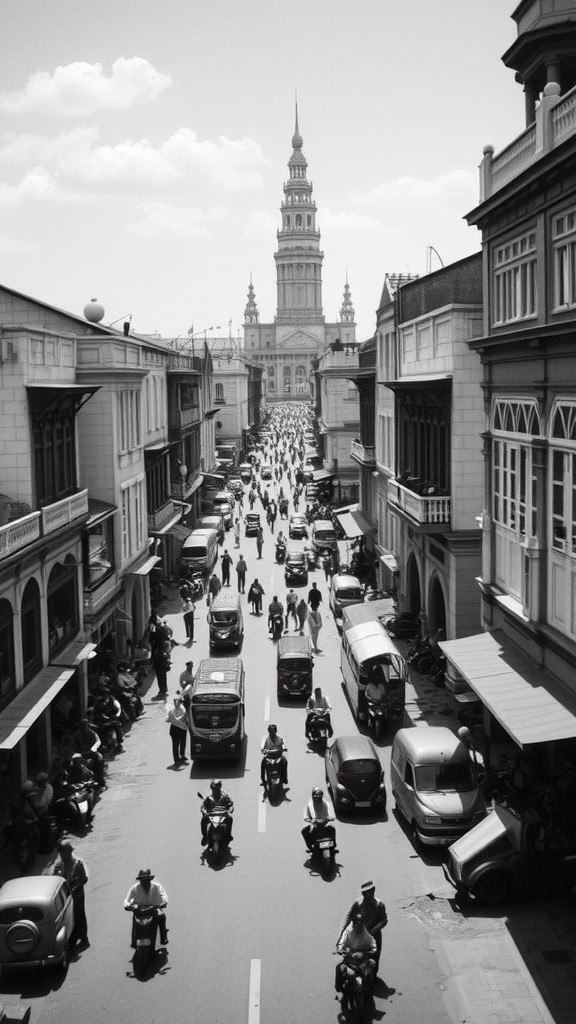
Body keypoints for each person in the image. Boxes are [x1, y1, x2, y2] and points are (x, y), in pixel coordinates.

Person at [339, 880, 388, 977]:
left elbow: (384, 920)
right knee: (351, 954)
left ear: (374, 890)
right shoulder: (358, 904)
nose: (368, 895)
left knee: (375, 957)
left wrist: (374, 930)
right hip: (358, 933)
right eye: (365, 893)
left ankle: (372, 977)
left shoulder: (380, 905)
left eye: (371, 892)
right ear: (363, 893)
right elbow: (349, 918)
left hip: (374, 935)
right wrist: (342, 933)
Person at [52, 840, 89, 948]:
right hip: (65, 895)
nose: (63, 855)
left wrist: (76, 887)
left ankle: (83, 937)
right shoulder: (59, 865)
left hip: (77, 894)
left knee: (79, 915)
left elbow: (84, 879)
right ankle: (71, 937)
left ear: (70, 852)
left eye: (65, 852)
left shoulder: (78, 863)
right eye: (61, 852)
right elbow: (54, 878)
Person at [335, 913, 377, 998]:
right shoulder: (348, 932)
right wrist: (340, 948)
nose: (359, 928)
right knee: (339, 967)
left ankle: (369, 988)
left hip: (362, 961)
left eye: (361, 925)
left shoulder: (366, 934)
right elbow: (342, 941)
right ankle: (339, 987)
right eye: (357, 925)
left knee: (372, 964)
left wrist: (372, 950)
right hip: (350, 960)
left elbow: (372, 942)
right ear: (354, 925)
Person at [124, 869, 169, 947]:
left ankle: (163, 937)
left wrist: (163, 903)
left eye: (146, 880)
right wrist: (127, 905)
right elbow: (127, 899)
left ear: (150, 880)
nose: (145, 882)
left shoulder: (157, 887)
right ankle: (134, 941)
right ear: (140, 880)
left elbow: (164, 897)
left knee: (162, 916)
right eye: (143, 880)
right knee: (135, 919)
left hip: (154, 908)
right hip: (140, 909)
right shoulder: (134, 888)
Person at [73, 718, 106, 787]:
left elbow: (97, 743)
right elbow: (73, 747)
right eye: (82, 726)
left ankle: (100, 780)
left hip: (91, 753)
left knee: (99, 759)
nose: (83, 728)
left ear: (88, 726)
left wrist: (93, 750)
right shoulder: (76, 735)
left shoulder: (93, 734)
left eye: (85, 726)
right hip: (80, 755)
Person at [301, 786, 336, 851]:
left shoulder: (327, 803)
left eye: (319, 798)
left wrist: (328, 819)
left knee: (332, 829)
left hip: (325, 823)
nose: (318, 799)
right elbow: (305, 816)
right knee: (304, 830)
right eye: (316, 798)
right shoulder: (309, 804)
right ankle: (310, 847)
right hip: (314, 824)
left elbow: (332, 814)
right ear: (313, 797)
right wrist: (311, 821)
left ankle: (333, 845)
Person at [201, 779, 234, 846]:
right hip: (212, 815)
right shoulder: (209, 798)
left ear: (219, 787)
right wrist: (204, 811)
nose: (214, 790)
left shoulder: (225, 796)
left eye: (216, 788)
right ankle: (205, 836)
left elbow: (230, 805)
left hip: (223, 815)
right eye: (213, 788)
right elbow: (203, 807)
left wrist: (230, 810)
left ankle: (228, 835)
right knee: (203, 820)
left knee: (230, 819)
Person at [260, 723, 288, 789]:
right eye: (269, 731)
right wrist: (262, 749)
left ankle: (284, 778)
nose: (271, 733)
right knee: (263, 763)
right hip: (269, 756)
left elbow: (284, 744)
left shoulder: (280, 738)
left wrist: (284, 748)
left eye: (272, 731)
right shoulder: (265, 738)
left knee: (285, 762)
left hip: (278, 756)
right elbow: (262, 745)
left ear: (276, 731)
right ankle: (263, 779)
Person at [166, 695, 188, 765]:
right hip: (175, 729)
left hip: (183, 728)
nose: (177, 703)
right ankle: (176, 759)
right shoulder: (171, 710)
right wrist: (182, 718)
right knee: (175, 745)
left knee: (183, 743)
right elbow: (174, 719)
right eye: (176, 701)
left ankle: (182, 756)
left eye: (179, 701)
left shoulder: (182, 708)